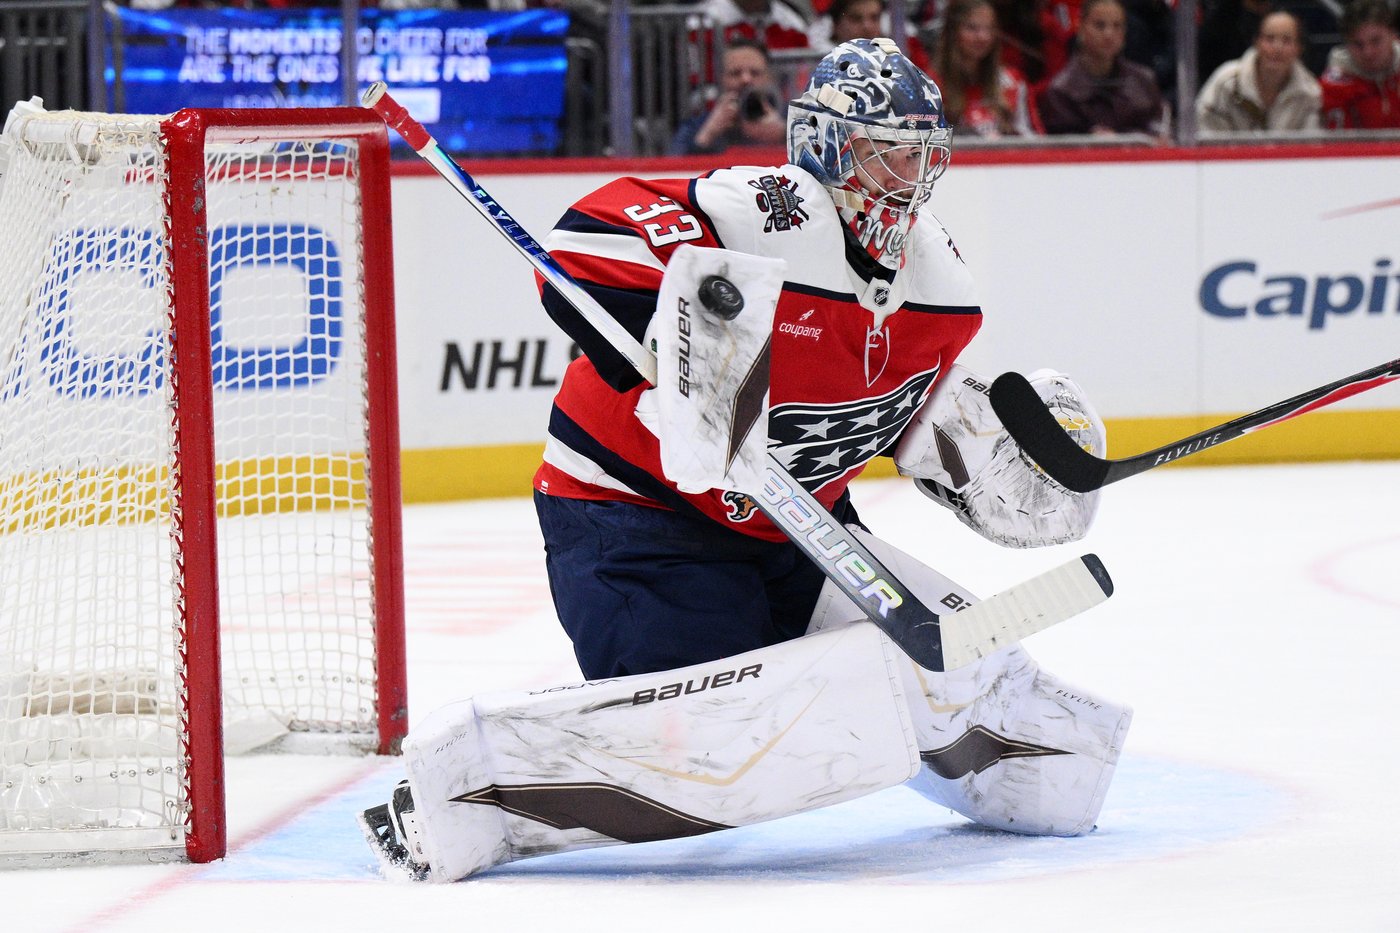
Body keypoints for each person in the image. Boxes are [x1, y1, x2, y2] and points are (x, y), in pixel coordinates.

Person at [358, 38, 1131, 883]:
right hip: (635, 522)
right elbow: (592, 229)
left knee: (1022, 721)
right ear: (828, 147)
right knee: (754, 732)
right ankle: (462, 790)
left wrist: (1014, 471)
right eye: (888, 150)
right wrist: (677, 341)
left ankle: (1023, 763)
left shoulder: (940, 286)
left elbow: (917, 430)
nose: (910, 174)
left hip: (798, 534)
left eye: (924, 152)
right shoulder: (765, 213)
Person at [1037, 0, 1168, 137]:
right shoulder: (1060, 92)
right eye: (1099, 25)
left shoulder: (1144, 81)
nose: (1108, 34)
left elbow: (1159, 131)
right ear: (1081, 28)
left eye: (1117, 26)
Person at [931, 0, 1043, 136]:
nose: (983, 37)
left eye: (989, 28)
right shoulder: (930, 87)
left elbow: (1035, 141)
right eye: (972, 28)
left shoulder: (1013, 82)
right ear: (952, 32)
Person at [1195, 11, 1321, 133]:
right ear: (1257, 42)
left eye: (1287, 40)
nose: (1277, 48)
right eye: (1269, 39)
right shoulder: (1225, 82)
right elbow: (1204, 133)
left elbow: (1310, 146)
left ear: (1299, 48)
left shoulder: (1310, 92)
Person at [671, 38, 788, 154]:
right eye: (735, 73)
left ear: (769, 77)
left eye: (755, 73)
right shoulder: (698, 126)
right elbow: (672, 167)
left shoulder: (791, 119)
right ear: (721, 78)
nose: (745, 79)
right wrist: (707, 135)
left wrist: (784, 135)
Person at [1319, 0, 1400, 129]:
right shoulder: (1335, 85)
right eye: (1358, 44)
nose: (1368, 52)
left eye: (1376, 41)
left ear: (1393, 35)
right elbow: (1340, 145)